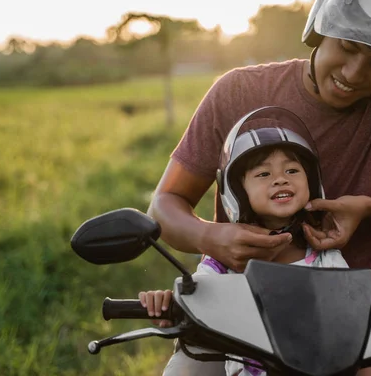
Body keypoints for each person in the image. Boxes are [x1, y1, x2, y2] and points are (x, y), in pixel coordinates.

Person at [147, 0, 371, 373]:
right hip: (231, 326)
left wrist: (370, 211)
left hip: (346, 328)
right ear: (320, 28)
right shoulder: (237, 92)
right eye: (348, 46)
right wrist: (212, 237)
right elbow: (165, 205)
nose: (355, 72)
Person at [140, 111, 350, 376]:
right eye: (263, 174)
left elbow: (354, 314)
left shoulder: (325, 256)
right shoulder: (223, 262)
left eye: (293, 170)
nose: (281, 178)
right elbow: (200, 300)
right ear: (238, 192)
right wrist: (171, 304)